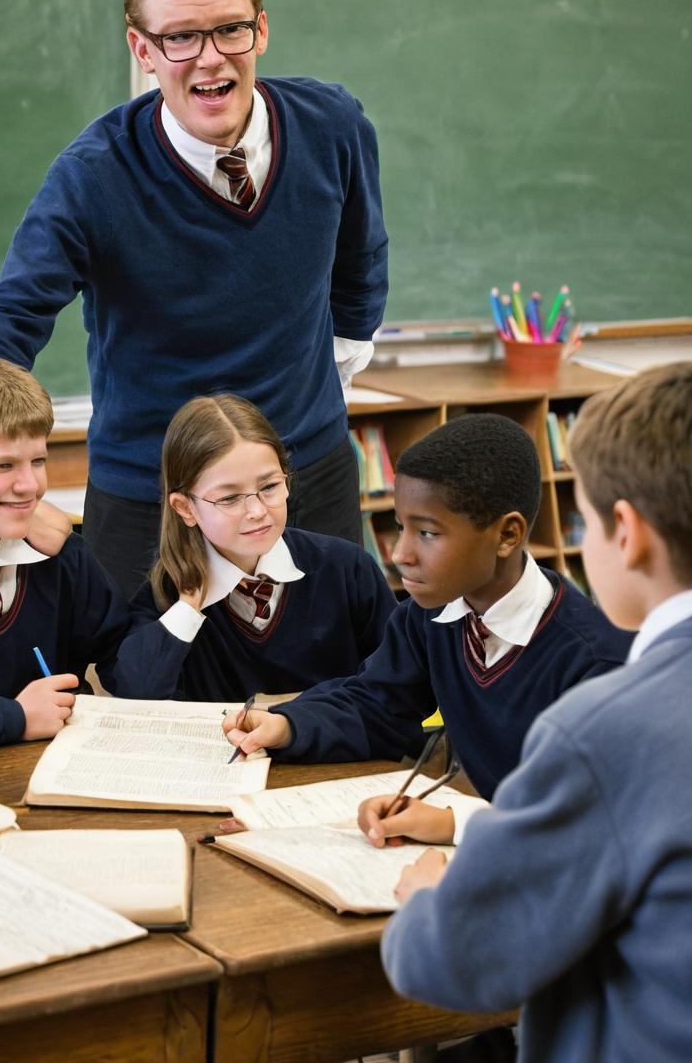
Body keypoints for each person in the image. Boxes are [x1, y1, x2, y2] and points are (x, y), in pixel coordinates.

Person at [0, 0, 389, 597]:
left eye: (230, 29)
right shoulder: (92, 178)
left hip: (303, 473)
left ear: (260, 30)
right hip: (149, 494)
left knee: (328, 680)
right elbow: (9, 317)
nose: (210, 58)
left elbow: (361, 258)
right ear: (142, 49)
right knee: (143, 688)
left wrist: (332, 367)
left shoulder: (334, 124)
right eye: (180, 37)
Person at [380, 362, 692, 1063]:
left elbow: (450, 962)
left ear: (626, 533)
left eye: (579, 513)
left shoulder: (604, 726)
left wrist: (429, 895)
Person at [223, 413, 632, 806]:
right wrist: (287, 726)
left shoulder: (597, 663)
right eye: (401, 527)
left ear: (507, 534)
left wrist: (452, 825)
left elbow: (588, 814)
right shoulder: (429, 616)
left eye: (427, 533)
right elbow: (375, 706)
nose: (400, 555)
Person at [114, 394, 395, 702]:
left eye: (269, 487)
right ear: (185, 508)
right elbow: (137, 694)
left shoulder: (346, 568)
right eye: (229, 498)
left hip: (341, 749)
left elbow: (399, 685)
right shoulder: (164, 597)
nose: (257, 510)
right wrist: (188, 608)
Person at [0, 356, 130, 754]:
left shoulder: (62, 556)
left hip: (53, 774)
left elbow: (121, 652)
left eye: (38, 460)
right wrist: (13, 717)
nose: (30, 485)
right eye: (3, 465)